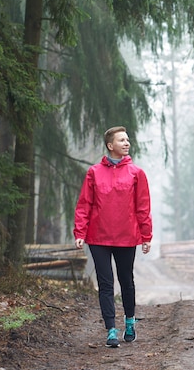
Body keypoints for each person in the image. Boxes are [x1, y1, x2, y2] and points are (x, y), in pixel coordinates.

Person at [73, 126, 153, 348]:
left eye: (127, 140)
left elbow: (143, 206)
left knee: (126, 281)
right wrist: (80, 232)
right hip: (98, 237)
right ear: (110, 146)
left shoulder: (137, 173)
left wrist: (146, 236)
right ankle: (111, 330)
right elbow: (84, 204)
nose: (127, 143)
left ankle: (129, 322)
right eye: (121, 140)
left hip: (127, 237)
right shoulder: (94, 172)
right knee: (105, 284)